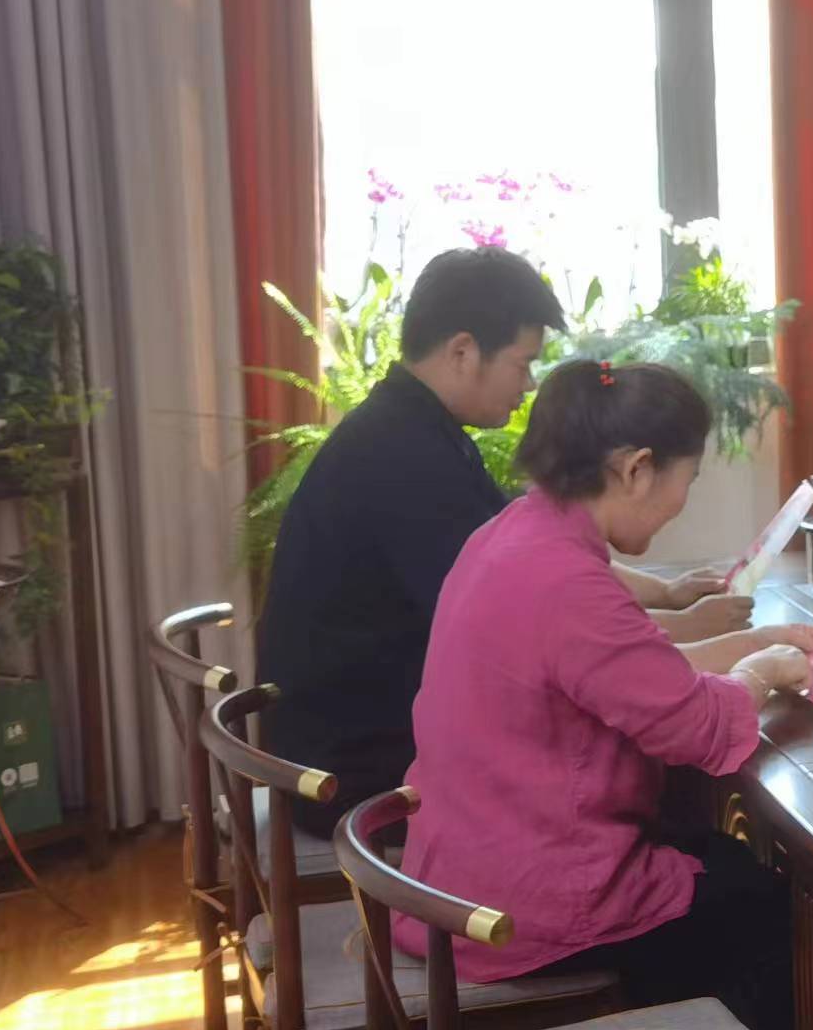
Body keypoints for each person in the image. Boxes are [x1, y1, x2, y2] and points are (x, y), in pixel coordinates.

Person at [392, 358, 813, 1030]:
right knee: (777, 914)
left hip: (463, 865)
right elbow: (696, 725)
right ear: (637, 468)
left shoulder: (515, 533)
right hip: (520, 902)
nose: (683, 500)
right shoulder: (565, 580)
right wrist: (763, 670)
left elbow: (635, 673)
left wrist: (758, 640)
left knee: (722, 860)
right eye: (689, 478)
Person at [256, 247, 751, 835]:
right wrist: (699, 633)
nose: (530, 383)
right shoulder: (406, 461)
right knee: (635, 760)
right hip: (359, 769)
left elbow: (550, 560)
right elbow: (545, 615)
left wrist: (667, 599)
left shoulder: (416, 431)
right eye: (523, 363)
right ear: (464, 352)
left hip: (357, 735)